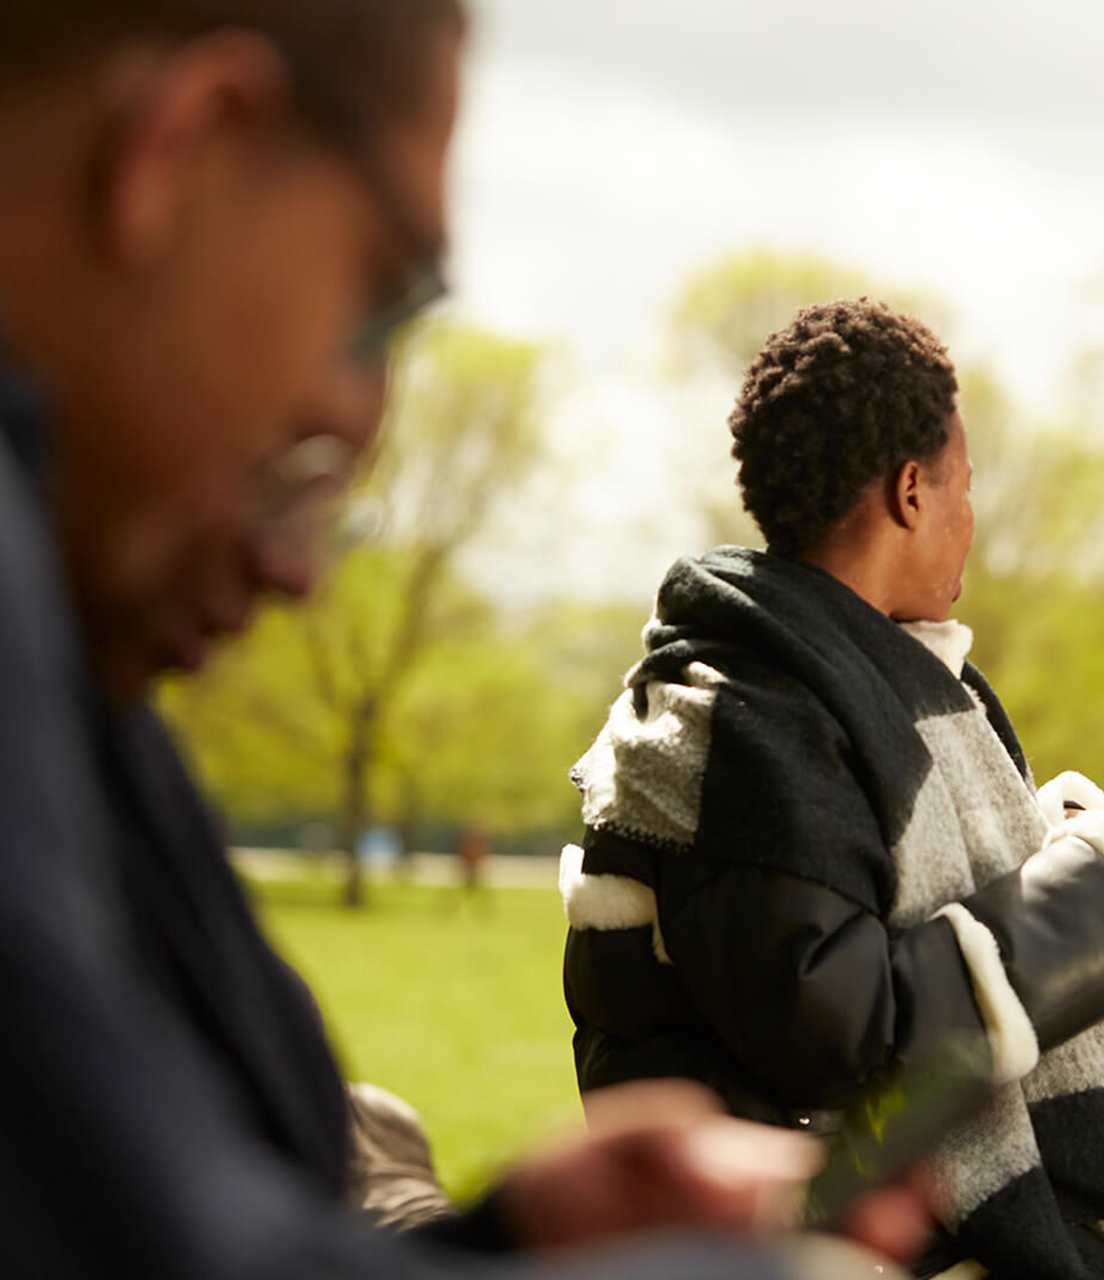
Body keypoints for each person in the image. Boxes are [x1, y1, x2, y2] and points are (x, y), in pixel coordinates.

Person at [0, 2, 920, 1274]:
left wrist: (509, 1242)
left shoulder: (74, 651)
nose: (296, 568)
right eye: (381, 307)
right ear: (191, 145)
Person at [560, 299, 1104, 1280]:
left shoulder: (883, 683)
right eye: (965, 488)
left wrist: (1059, 850)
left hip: (951, 1151)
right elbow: (840, 1027)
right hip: (839, 1201)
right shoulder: (744, 721)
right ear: (912, 491)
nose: (970, 523)